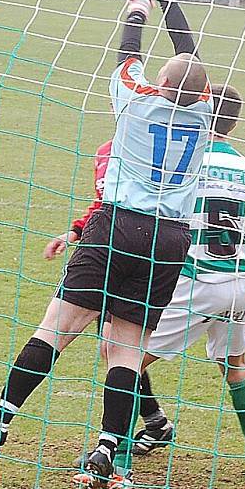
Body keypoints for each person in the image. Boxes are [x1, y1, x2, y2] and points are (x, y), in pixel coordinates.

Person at [0, 0, 213, 489]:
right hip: (169, 240)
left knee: (58, 326)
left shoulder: (133, 97)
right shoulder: (207, 113)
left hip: (118, 224)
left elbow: (130, 53)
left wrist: (139, 2)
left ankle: (1, 418)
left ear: (160, 82)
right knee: (124, 350)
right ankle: (107, 447)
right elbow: (191, 59)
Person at [73, 83, 245, 489]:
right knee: (235, 368)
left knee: (122, 354)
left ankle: (118, 458)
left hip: (193, 280)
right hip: (238, 284)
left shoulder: (188, 161)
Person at [44, 131, 175, 470]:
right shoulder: (104, 151)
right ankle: (154, 422)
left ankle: (118, 451)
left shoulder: (159, 149)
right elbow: (102, 204)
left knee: (121, 350)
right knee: (116, 350)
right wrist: (73, 232)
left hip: (148, 257)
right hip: (111, 252)